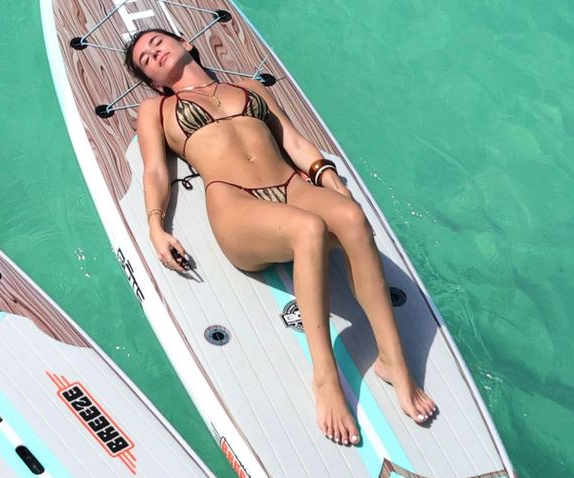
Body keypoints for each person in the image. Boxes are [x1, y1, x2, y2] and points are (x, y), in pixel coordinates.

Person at [125, 28, 438, 447]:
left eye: (157, 43)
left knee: (350, 217)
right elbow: (155, 170)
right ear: (155, 82)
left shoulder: (249, 88)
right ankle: (325, 377)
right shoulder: (157, 108)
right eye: (145, 59)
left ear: (187, 44)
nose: (153, 52)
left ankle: (392, 359)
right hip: (236, 203)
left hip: (291, 184)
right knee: (307, 228)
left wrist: (326, 176)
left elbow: (291, 139)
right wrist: (155, 225)